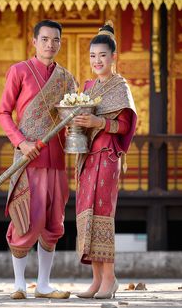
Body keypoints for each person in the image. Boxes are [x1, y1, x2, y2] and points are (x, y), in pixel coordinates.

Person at [0, 20, 77, 299]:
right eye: (44, 39)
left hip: (56, 159)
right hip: (28, 158)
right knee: (26, 219)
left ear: (59, 43)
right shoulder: (18, 71)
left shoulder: (67, 79)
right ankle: (19, 284)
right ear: (34, 41)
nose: (50, 44)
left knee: (54, 221)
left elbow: (74, 116)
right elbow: (3, 113)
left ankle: (43, 285)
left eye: (55, 40)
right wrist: (21, 141)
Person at [74, 21, 137, 299]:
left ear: (113, 57)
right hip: (87, 157)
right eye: (92, 56)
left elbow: (125, 126)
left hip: (107, 156)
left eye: (102, 55)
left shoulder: (119, 87)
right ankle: (96, 279)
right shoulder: (87, 87)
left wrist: (99, 121)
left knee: (102, 215)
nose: (97, 61)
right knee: (86, 215)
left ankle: (110, 279)